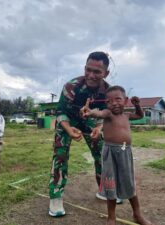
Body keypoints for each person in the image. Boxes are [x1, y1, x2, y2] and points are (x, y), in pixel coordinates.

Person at [49, 51, 113, 217]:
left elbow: (106, 114)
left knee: (102, 152)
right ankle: (56, 197)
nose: (91, 75)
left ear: (106, 73)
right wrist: (69, 130)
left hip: (90, 121)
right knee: (60, 156)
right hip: (67, 121)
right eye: (88, 69)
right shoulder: (71, 86)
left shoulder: (108, 91)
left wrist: (99, 129)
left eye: (97, 72)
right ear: (84, 68)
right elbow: (60, 112)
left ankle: (104, 189)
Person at [81, 86, 152, 225]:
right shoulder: (108, 114)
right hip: (110, 152)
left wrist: (137, 105)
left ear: (125, 101)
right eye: (110, 101)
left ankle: (137, 214)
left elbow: (140, 115)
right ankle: (111, 218)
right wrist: (90, 112)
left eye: (118, 99)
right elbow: (99, 113)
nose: (114, 103)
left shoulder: (127, 115)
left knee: (129, 183)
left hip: (125, 150)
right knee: (110, 184)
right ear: (107, 103)